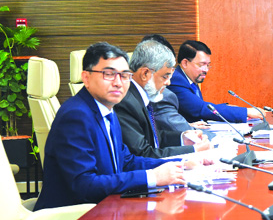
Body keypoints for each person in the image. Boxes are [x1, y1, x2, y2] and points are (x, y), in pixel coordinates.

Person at [34, 42, 211, 211]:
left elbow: (126, 161)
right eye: (109, 74)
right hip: (75, 218)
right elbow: (84, 185)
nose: (118, 82)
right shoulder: (76, 116)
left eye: (125, 75)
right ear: (86, 78)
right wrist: (153, 177)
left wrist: (180, 163)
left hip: (105, 208)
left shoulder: (106, 110)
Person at [114, 39, 210, 158]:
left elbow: (153, 137)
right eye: (165, 76)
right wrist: (193, 150)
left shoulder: (139, 95)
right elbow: (143, 153)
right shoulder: (125, 102)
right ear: (145, 74)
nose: (168, 83)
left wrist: (182, 138)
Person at [168, 40, 263, 123]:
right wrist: (246, 112)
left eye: (208, 65)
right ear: (185, 63)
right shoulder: (176, 80)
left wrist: (229, 108)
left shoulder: (188, 78)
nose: (206, 70)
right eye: (202, 65)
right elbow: (199, 109)